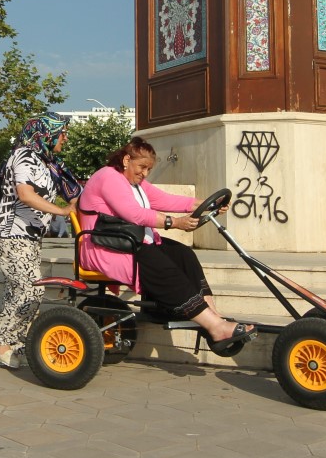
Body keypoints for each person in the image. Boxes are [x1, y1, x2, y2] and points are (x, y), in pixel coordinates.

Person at [77, 137, 254, 355]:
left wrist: (207, 203)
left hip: (127, 241)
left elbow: (164, 200)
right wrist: (175, 223)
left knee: (183, 254)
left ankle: (213, 317)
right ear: (126, 160)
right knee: (160, 265)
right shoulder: (108, 177)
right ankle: (215, 327)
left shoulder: (135, 183)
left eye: (149, 169)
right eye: (142, 167)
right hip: (103, 248)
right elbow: (133, 213)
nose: (145, 173)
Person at [0, 113, 79, 369]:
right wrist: (61, 211)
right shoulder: (24, 156)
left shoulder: (49, 163)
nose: (65, 137)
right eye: (62, 133)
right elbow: (25, 195)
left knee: (18, 290)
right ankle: (0, 341)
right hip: (11, 234)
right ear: (46, 134)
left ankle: (14, 343)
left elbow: (75, 192)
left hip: (30, 237)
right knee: (32, 290)